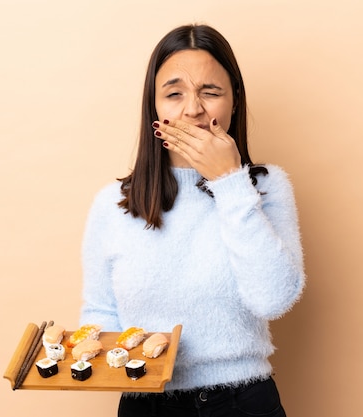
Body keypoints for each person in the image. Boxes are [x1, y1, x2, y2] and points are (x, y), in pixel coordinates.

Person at [80, 24, 305, 417]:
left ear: (234, 103)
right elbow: (99, 314)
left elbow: (273, 299)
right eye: (173, 94)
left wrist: (230, 182)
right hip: (145, 403)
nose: (193, 109)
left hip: (242, 401)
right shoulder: (111, 204)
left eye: (211, 92)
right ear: (155, 108)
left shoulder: (266, 188)